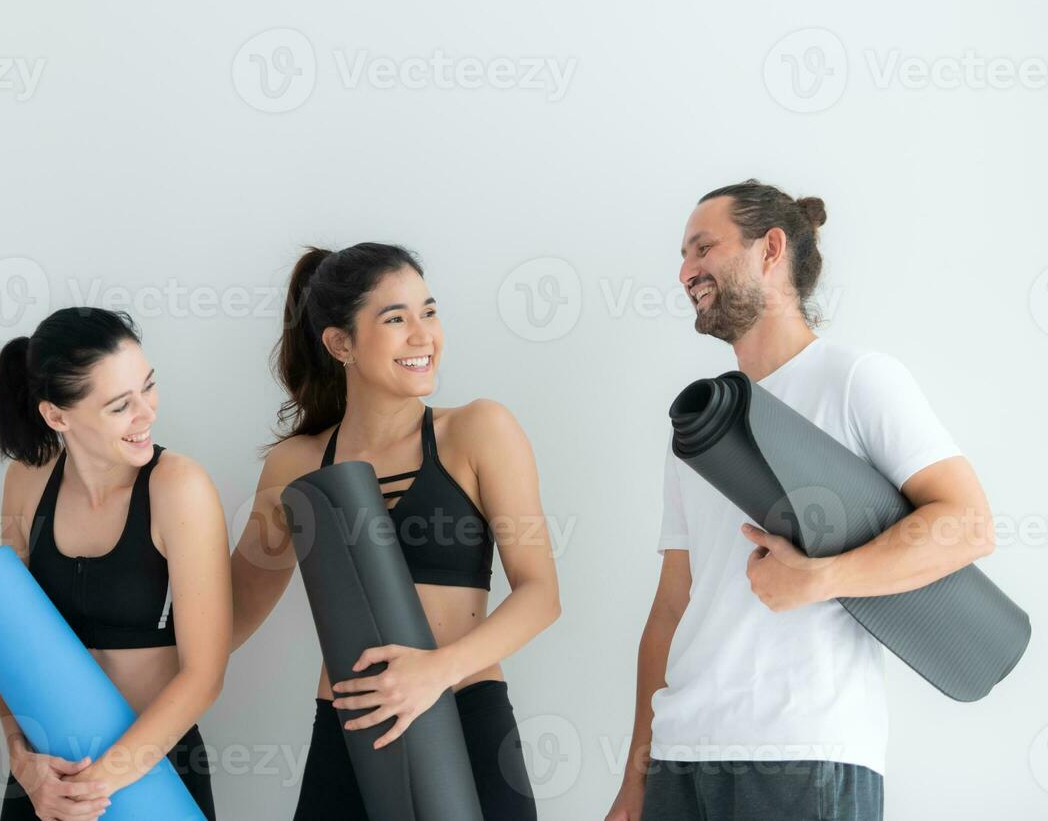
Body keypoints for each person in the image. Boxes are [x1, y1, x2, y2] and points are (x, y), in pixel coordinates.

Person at [604, 181, 997, 821]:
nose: (685, 271)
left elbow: (968, 524)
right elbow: (671, 604)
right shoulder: (699, 422)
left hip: (804, 752)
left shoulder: (856, 379)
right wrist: (636, 775)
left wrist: (821, 579)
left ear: (771, 249)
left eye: (703, 247)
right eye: (681, 255)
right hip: (682, 756)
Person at [230, 242, 562, 820]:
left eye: (429, 312)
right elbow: (232, 612)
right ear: (341, 344)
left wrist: (435, 671)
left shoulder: (477, 431)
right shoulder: (297, 464)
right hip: (349, 728)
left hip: (465, 712)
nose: (422, 335)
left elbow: (541, 595)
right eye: (395, 318)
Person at [0, 306, 230, 820]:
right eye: (121, 405)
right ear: (57, 416)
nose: (148, 414)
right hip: (47, 783)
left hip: (152, 775)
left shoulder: (179, 488)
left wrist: (97, 783)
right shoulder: (28, 481)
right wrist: (24, 762)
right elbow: (10, 645)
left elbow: (204, 674)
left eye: (149, 387)